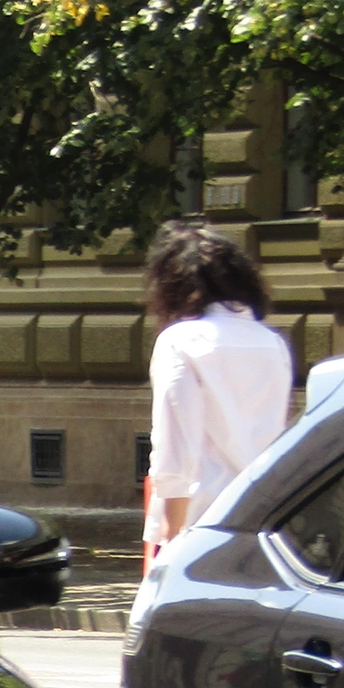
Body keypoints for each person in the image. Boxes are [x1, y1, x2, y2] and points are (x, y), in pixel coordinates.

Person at [142, 225, 293, 562]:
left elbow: (175, 449)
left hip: (200, 526)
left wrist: (170, 542)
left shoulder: (181, 342)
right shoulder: (272, 343)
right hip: (260, 524)